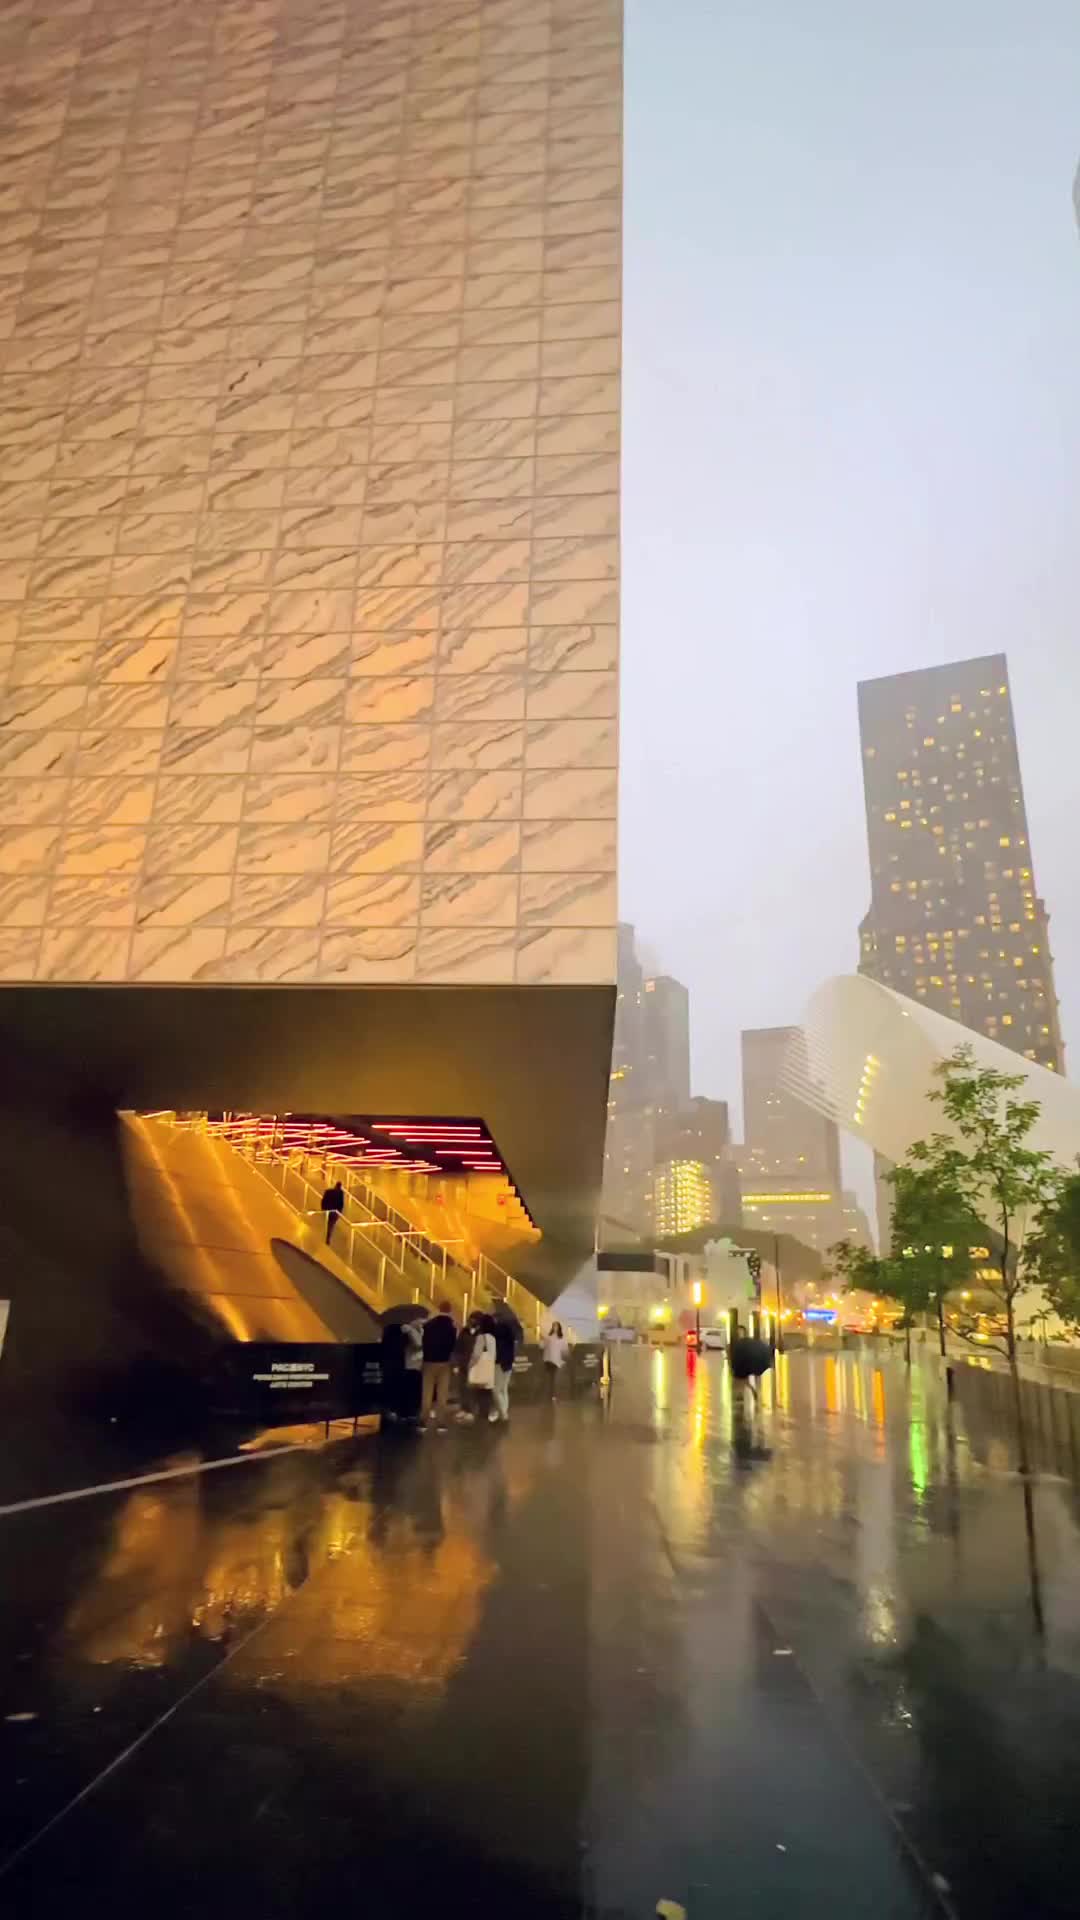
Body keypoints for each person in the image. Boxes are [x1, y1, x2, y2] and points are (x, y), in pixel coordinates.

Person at [421, 1299, 457, 1428]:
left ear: (439, 1308)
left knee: (427, 1392)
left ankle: (423, 1420)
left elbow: (423, 1342)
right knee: (442, 1394)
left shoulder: (429, 1325)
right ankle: (440, 1421)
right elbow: (453, 1346)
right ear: (450, 1310)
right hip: (444, 1363)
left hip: (429, 1362)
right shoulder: (452, 1327)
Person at [466, 1313, 497, 1423]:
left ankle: (479, 1415)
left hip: (480, 1368)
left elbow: (476, 1354)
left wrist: (470, 1365)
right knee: (487, 1392)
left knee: (478, 1392)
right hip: (489, 1368)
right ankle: (485, 1414)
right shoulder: (493, 1338)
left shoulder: (481, 1337)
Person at [490, 1314, 517, 1423]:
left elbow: (496, 1352)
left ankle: (503, 1414)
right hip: (508, 1364)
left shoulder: (497, 1337)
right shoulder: (510, 1337)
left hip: (499, 1364)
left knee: (496, 1390)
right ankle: (504, 1412)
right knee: (504, 1389)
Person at [401, 1315, 424, 1422]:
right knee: (411, 1390)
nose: (421, 1321)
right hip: (411, 1364)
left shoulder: (418, 1330)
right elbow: (418, 1344)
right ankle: (409, 1412)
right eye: (419, 1319)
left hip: (417, 1364)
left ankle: (411, 1411)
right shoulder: (408, 1330)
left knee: (414, 1390)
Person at [543, 1320, 569, 1399]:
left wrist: (566, 1357)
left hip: (556, 1360)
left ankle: (553, 1394)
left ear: (559, 1328)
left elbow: (565, 1350)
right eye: (554, 1326)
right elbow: (542, 1346)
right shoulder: (549, 1337)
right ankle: (551, 1394)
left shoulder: (562, 1338)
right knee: (550, 1377)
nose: (555, 1327)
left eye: (556, 1326)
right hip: (548, 1359)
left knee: (553, 1377)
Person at [320, 1177, 345, 1245]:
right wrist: (340, 1212)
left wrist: (323, 1208)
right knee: (331, 1224)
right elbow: (341, 1203)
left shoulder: (328, 1191)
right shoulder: (341, 1193)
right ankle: (328, 1237)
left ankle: (327, 1236)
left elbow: (323, 1200)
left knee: (328, 1223)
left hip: (328, 1210)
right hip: (335, 1211)